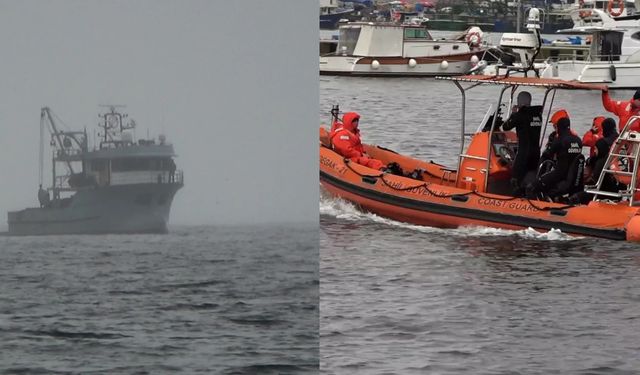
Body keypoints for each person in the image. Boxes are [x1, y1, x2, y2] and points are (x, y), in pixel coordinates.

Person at [528, 117, 584, 200]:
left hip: (560, 174)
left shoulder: (559, 140)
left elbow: (547, 154)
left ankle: (536, 204)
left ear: (559, 127)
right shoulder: (578, 140)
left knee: (533, 185)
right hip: (575, 177)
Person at [502, 91, 544, 195]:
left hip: (524, 152)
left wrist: (513, 113)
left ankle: (515, 200)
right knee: (530, 178)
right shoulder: (538, 115)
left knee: (515, 179)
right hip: (535, 153)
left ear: (519, 101)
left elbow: (505, 127)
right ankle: (529, 197)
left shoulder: (520, 115)